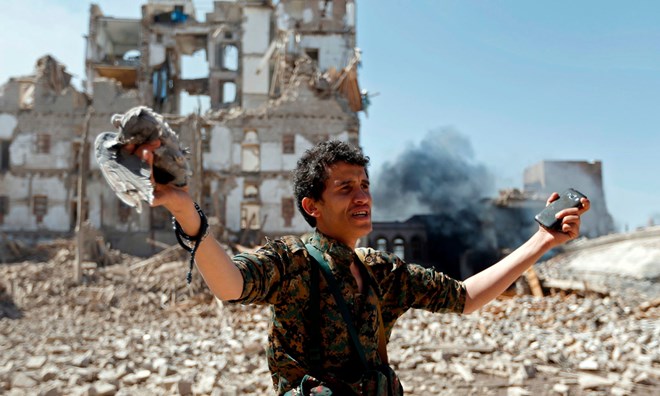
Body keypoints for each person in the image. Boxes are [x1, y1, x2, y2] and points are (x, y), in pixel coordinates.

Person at [138, 140, 590, 395]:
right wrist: (185, 211)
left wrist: (542, 240)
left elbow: (465, 297)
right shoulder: (293, 262)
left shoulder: (381, 271)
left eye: (365, 185)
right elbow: (230, 284)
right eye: (345, 188)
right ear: (312, 206)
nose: (362, 197)